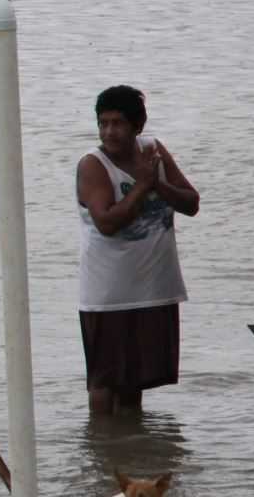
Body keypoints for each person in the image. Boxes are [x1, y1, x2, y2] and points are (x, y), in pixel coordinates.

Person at [76, 85, 200, 413]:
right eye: (103, 123)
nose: (109, 132)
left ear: (137, 126)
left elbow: (191, 203)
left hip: (154, 290)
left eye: (117, 123)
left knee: (135, 383)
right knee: (104, 383)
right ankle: (103, 451)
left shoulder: (152, 151)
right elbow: (106, 222)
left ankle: (129, 454)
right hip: (109, 296)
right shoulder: (93, 165)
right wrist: (143, 186)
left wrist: (157, 182)